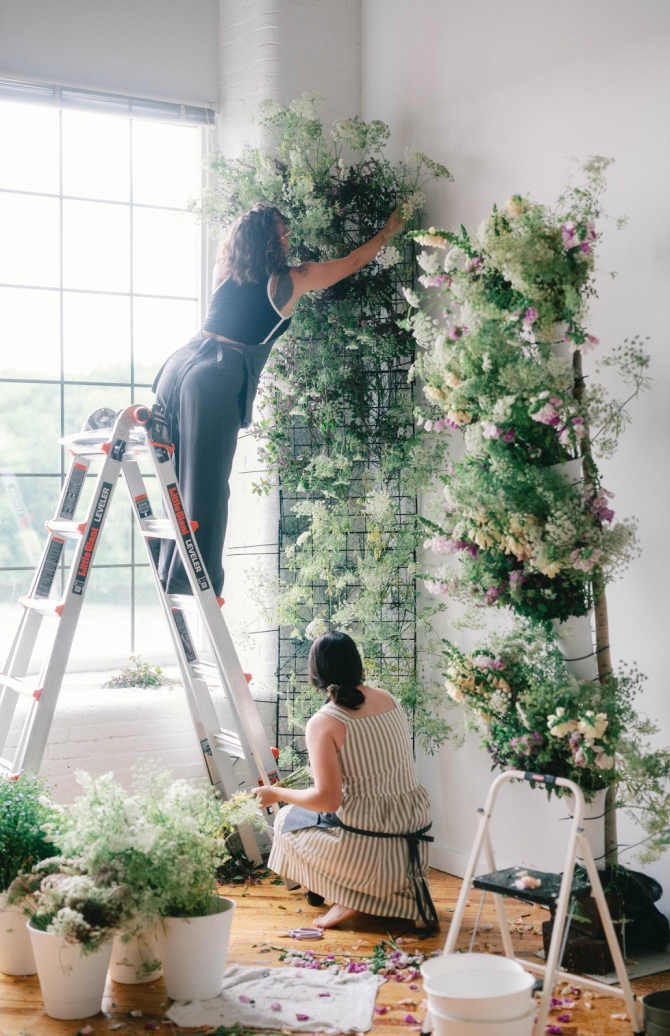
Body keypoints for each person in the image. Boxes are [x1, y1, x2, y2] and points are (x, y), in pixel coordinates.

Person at [153, 203, 406, 596]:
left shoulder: (226, 273)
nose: (288, 238)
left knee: (176, 479)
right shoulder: (288, 280)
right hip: (212, 380)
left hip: (179, 367)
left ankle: (168, 571)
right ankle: (192, 587)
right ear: (268, 240)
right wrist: (391, 228)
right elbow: (354, 261)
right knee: (206, 489)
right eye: (282, 232)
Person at [254, 631, 436, 930]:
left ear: (315, 674)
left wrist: (276, 793)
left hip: (371, 844)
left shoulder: (325, 722)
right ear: (356, 664)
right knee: (313, 815)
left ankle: (348, 897)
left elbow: (329, 800)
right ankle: (397, 897)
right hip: (412, 838)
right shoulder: (388, 698)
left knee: (286, 820)